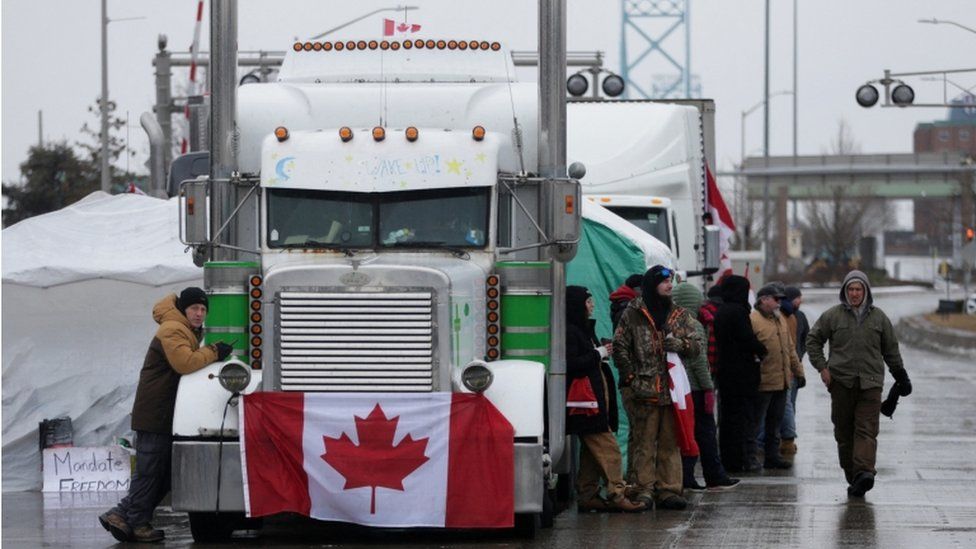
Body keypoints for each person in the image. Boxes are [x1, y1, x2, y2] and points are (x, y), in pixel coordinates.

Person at [99, 288, 233, 542]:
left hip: (163, 412)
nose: (199, 313)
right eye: (194, 308)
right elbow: (185, 363)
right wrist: (214, 352)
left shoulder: (183, 329)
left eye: (203, 309)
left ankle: (121, 515)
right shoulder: (172, 329)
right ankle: (134, 521)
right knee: (150, 471)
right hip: (155, 412)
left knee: (162, 472)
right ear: (183, 309)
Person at [806, 270, 911, 497]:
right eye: (851, 289)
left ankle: (864, 472)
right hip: (841, 382)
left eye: (859, 289)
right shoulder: (832, 316)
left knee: (866, 429)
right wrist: (823, 368)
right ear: (845, 291)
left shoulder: (879, 318)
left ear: (866, 292)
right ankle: (853, 475)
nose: (854, 294)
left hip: (870, 383)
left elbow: (891, 350)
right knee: (844, 432)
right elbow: (813, 340)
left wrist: (901, 376)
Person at [614, 265, 700, 510]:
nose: (669, 285)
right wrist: (631, 377)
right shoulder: (633, 312)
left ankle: (669, 490)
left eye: (671, 281)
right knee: (644, 442)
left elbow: (695, 347)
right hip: (644, 390)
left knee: (669, 442)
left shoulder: (679, 314)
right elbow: (620, 346)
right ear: (653, 284)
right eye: (664, 281)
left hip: (672, 391)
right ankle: (643, 490)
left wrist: (679, 344)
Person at [565, 286, 646, 513]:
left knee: (591, 453)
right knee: (609, 449)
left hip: (591, 404)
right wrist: (598, 353)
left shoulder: (581, 330)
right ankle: (617, 494)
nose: (592, 305)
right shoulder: (571, 332)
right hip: (586, 405)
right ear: (577, 305)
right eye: (588, 301)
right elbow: (572, 365)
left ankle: (588, 494)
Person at [672, 282, 740, 491]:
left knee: (685, 433)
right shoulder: (694, 325)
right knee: (706, 433)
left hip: (680, 388)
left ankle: (685, 476)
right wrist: (708, 387)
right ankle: (714, 475)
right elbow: (699, 362)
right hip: (697, 388)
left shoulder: (672, 322)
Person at [713, 275, 767, 473]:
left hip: (725, 372)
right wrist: (761, 349)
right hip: (741, 375)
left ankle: (729, 459)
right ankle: (737, 460)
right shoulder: (737, 312)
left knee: (728, 419)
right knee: (740, 419)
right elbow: (746, 339)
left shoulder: (722, 311)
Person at [750, 283, 805, 470]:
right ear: (763, 299)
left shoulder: (780, 318)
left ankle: (772, 457)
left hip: (782, 382)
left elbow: (790, 348)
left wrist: (799, 372)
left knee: (775, 423)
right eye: (776, 299)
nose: (779, 303)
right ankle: (750, 457)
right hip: (763, 382)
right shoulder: (753, 320)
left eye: (781, 299)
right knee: (756, 423)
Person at [778, 286, 810, 458]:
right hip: (788, 368)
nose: (800, 300)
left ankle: (786, 440)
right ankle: (786, 439)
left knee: (790, 405)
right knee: (786, 405)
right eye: (798, 297)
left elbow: (807, 339)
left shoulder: (800, 316)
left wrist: (799, 355)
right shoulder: (784, 316)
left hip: (794, 367)